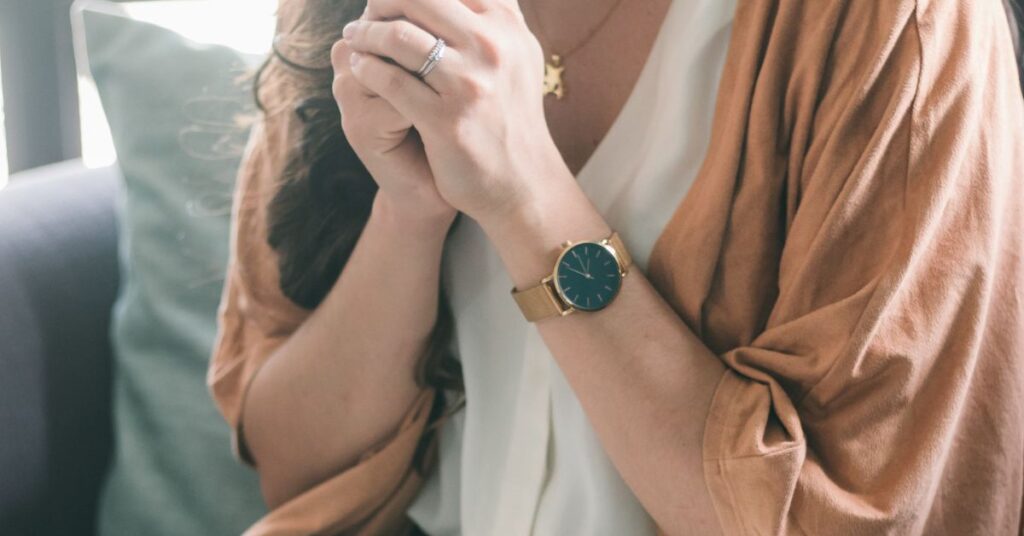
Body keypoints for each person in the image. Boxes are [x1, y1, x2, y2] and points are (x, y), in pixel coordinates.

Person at [207, 0, 1024, 534]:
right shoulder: (344, 17)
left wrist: (527, 200)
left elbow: (864, 511)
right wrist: (409, 215)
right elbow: (296, 473)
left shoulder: (892, 25)